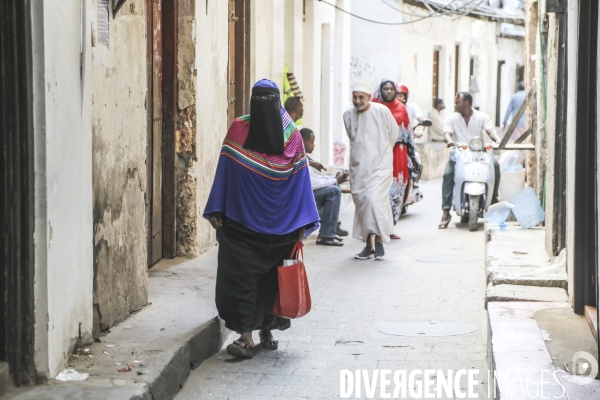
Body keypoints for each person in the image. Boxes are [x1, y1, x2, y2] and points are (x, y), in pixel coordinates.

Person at [203, 79, 320, 359]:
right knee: (239, 281)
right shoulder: (239, 129)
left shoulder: (293, 137)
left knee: (272, 281)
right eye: (259, 100)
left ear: (278, 102)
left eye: (269, 100)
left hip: (281, 230)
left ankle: (266, 330)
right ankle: (245, 338)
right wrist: (217, 208)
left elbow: (300, 181)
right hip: (242, 225)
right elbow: (226, 170)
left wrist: (303, 222)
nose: (263, 106)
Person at [343, 81, 397, 260]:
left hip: (380, 166)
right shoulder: (348, 115)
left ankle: (380, 239)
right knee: (362, 205)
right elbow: (353, 138)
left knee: (375, 201)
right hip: (358, 168)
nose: (357, 101)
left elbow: (393, 134)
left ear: (369, 97)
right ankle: (368, 246)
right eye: (355, 97)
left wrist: (382, 154)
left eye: (361, 97)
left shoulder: (381, 111)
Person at [439, 92, 501, 229]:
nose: (455, 105)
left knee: (495, 165)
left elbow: (490, 131)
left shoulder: (482, 117)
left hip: (479, 152)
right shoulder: (452, 118)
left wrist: (498, 140)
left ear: (466, 103)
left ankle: (494, 196)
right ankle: (446, 211)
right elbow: (447, 133)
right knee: (448, 173)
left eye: (457, 102)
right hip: (459, 153)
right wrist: (450, 142)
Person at [371, 78, 414, 239]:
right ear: (380, 90)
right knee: (379, 191)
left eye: (391, 89)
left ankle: (390, 228)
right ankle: (376, 229)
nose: (388, 92)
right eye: (385, 89)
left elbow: (409, 133)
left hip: (399, 153)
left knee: (396, 190)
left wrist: (412, 156)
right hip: (379, 153)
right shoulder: (373, 107)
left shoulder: (401, 108)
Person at [300, 128, 348, 246]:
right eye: (312, 141)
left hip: (305, 195)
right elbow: (312, 183)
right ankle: (327, 234)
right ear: (304, 142)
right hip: (300, 199)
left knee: (332, 189)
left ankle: (330, 230)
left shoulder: (303, 157)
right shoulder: (299, 158)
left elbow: (316, 178)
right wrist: (334, 181)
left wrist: (333, 180)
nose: (314, 144)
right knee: (333, 191)